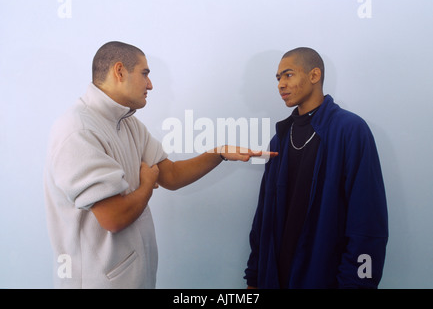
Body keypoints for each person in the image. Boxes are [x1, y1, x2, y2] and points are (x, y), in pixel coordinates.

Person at [44, 41, 275, 288]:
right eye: (145, 74)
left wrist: (219, 153)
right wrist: (146, 184)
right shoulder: (78, 131)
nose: (150, 85)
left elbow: (171, 175)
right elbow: (114, 218)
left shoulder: (128, 123)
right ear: (120, 71)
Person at [244, 47, 388, 289]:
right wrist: (254, 276)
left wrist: (357, 284)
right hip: (275, 279)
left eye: (288, 75)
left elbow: (367, 221)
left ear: (314, 75)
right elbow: (263, 218)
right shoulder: (280, 138)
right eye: (278, 78)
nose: (281, 84)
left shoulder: (350, 130)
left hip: (326, 279)